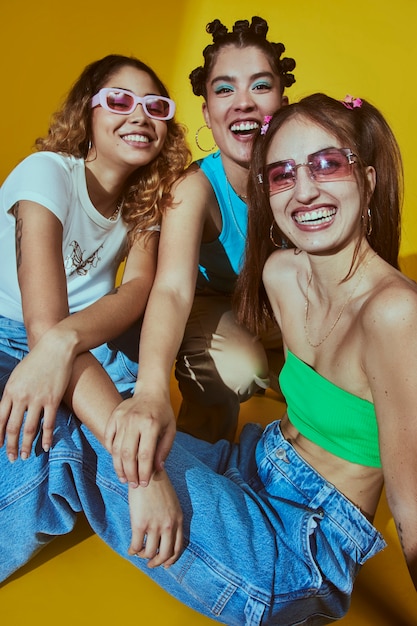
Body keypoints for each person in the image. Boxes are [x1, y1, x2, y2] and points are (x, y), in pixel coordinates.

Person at [2, 92, 416, 625]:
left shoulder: (396, 312)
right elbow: (171, 294)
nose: (305, 188)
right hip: (253, 465)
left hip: (298, 546)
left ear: (370, 179)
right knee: (77, 420)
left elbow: (410, 511)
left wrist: (140, 477)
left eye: (327, 164)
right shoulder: (282, 274)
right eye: (283, 174)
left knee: (76, 444)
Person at [109, 16, 296, 453]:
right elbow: (172, 290)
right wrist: (151, 391)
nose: (243, 103)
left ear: (284, 101)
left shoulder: (304, 172)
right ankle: (210, 431)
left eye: (261, 86)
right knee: (238, 369)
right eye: (225, 89)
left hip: (281, 307)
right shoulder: (195, 188)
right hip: (213, 309)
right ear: (207, 113)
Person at [0, 54, 190, 464]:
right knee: (44, 451)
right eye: (120, 101)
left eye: (155, 107)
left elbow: (139, 287)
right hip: (12, 335)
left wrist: (66, 341)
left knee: (146, 430)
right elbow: (42, 329)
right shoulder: (45, 173)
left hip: (82, 338)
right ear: (86, 113)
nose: (140, 116)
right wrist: (141, 473)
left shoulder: (146, 200)